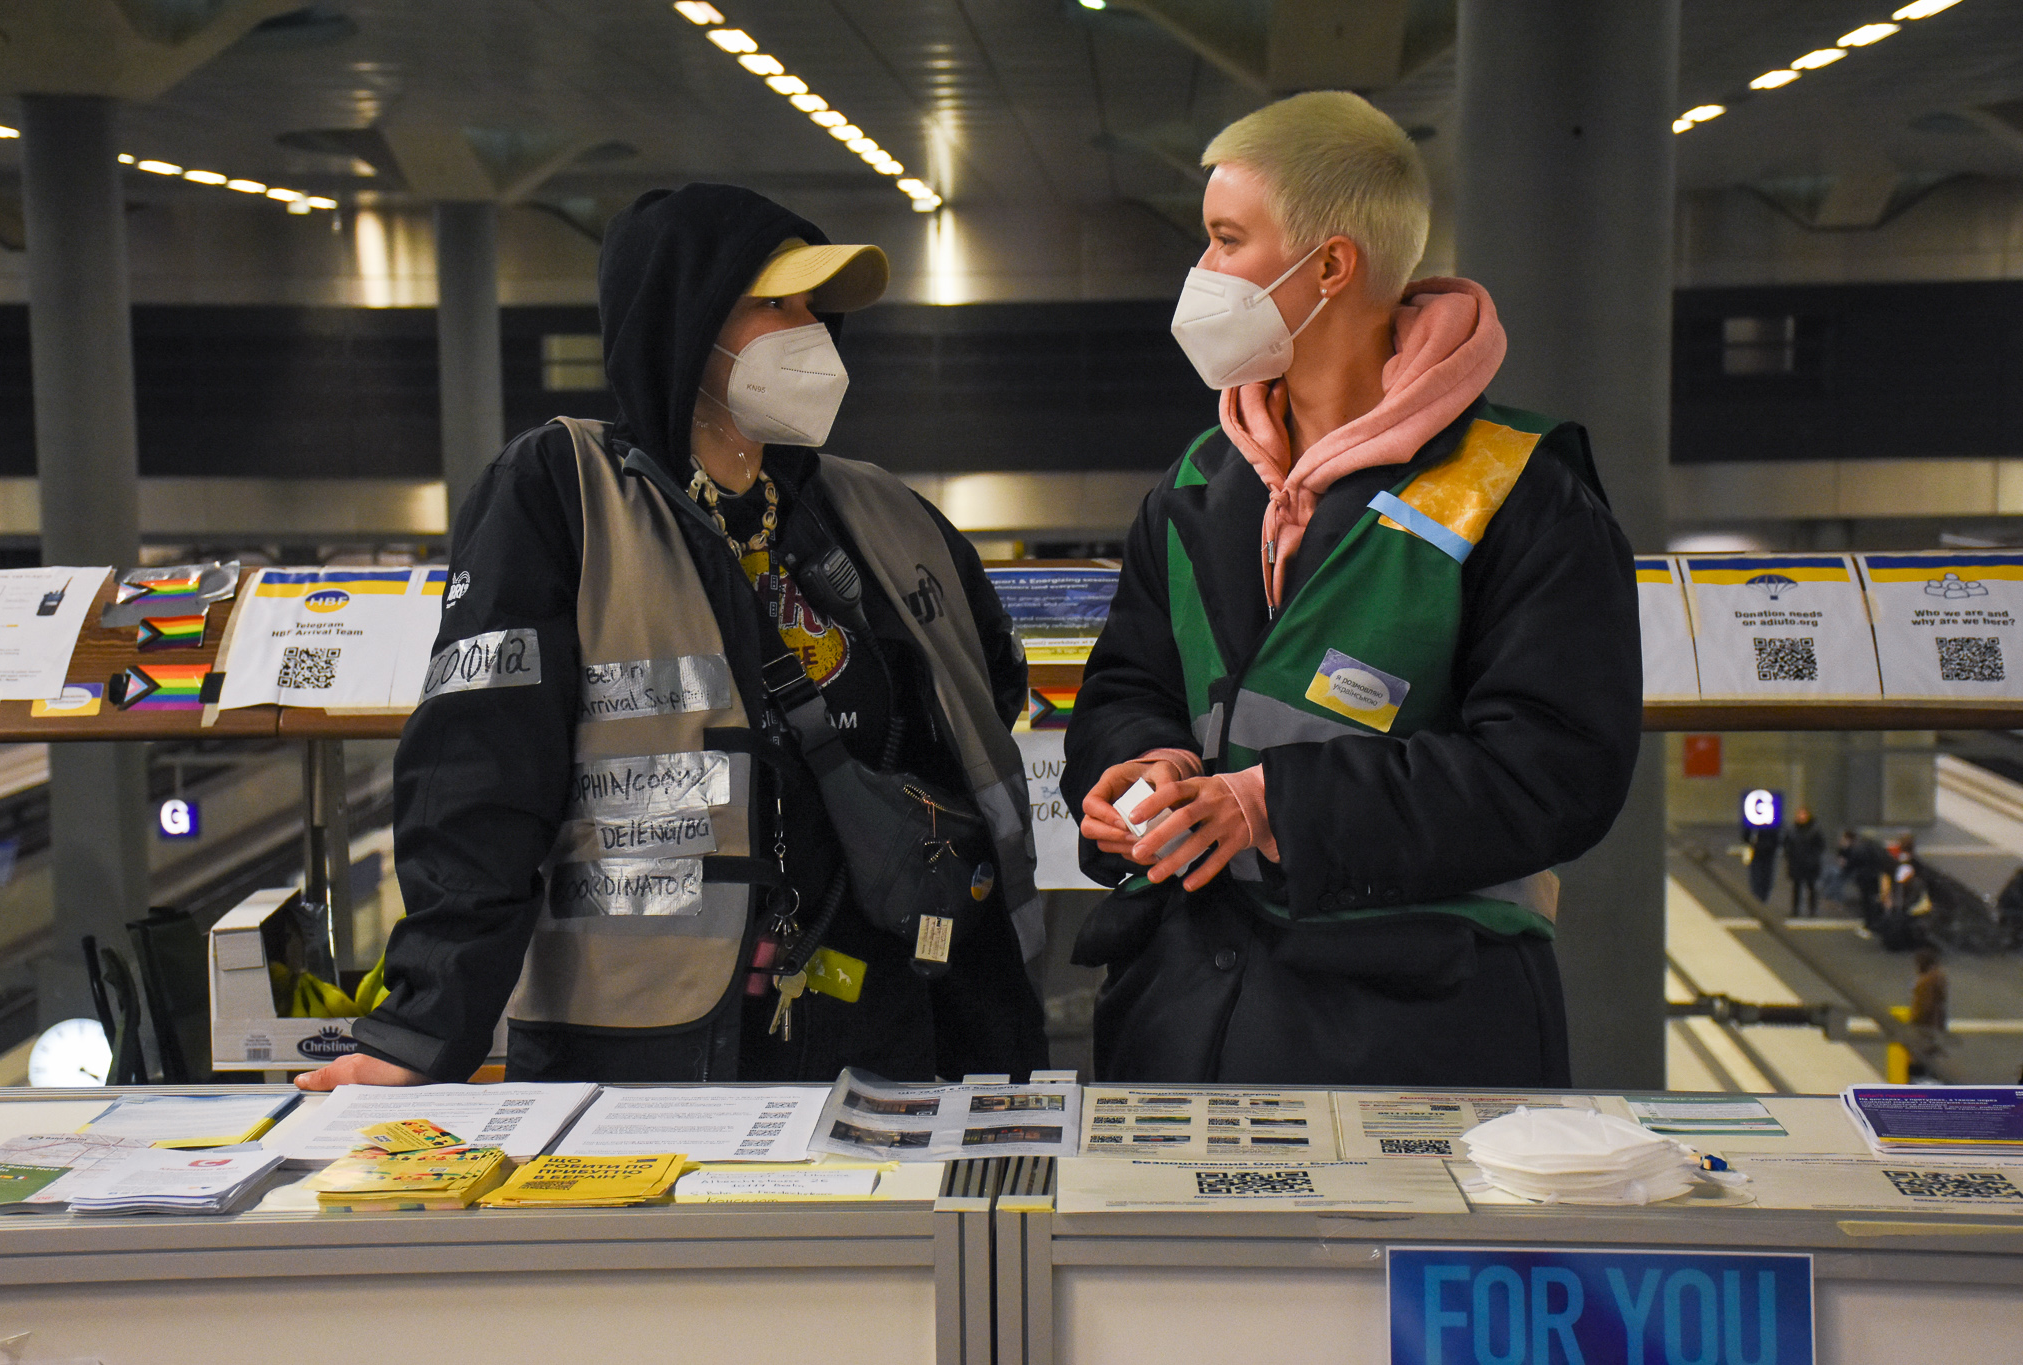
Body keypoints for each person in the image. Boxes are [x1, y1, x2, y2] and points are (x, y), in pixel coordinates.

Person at [297, 184, 1048, 1089]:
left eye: (816, 307)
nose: (811, 331)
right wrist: (421, 1031)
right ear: (687, 322)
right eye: (777, 304)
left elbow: (982, 684)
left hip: (886, 1019)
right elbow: (478, 779)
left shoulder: (875, 510)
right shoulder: (562, 493)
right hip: (653, 1042)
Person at [1060, 92, 1639, 1086]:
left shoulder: (1521, 493)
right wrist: (1133, 767)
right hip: (1186, 1013)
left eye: (1226, 240)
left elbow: (1553, 770)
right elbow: (1128, 683)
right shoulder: (1199, 482)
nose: (1201, 272)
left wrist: (1271, 805)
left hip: (1414, 1030)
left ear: (1329, 267)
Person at [1907, 948, 1948, 1080]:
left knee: (1919, 1053)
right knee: (1929, 1051)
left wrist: (1913, 1020)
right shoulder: (1939, 978)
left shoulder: (1925, 982)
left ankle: (1919, 1077)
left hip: (1924, 1025)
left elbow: (1924, 1006)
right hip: (1935, 1022)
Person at [1784, 805, 1824, 917]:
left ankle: (1813, 909)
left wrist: (1813, 858)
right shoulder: (1792, 830)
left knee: (1811, 887)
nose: (1801, 817)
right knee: (1797, 887)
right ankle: (1795, 909)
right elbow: (1787, 845)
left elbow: (1820, 846)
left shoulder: (1814, 830)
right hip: (1796, 863)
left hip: (1810, 863)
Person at [1743, 808, 1781, 906]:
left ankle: (1761, 898)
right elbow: (1746, 835)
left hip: (1767, 853)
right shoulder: (1754, 823)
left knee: (1765, 878)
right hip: (1758, 852)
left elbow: (1777, 837)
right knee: (1758, 877)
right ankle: (1759, 898)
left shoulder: (1770, 823)